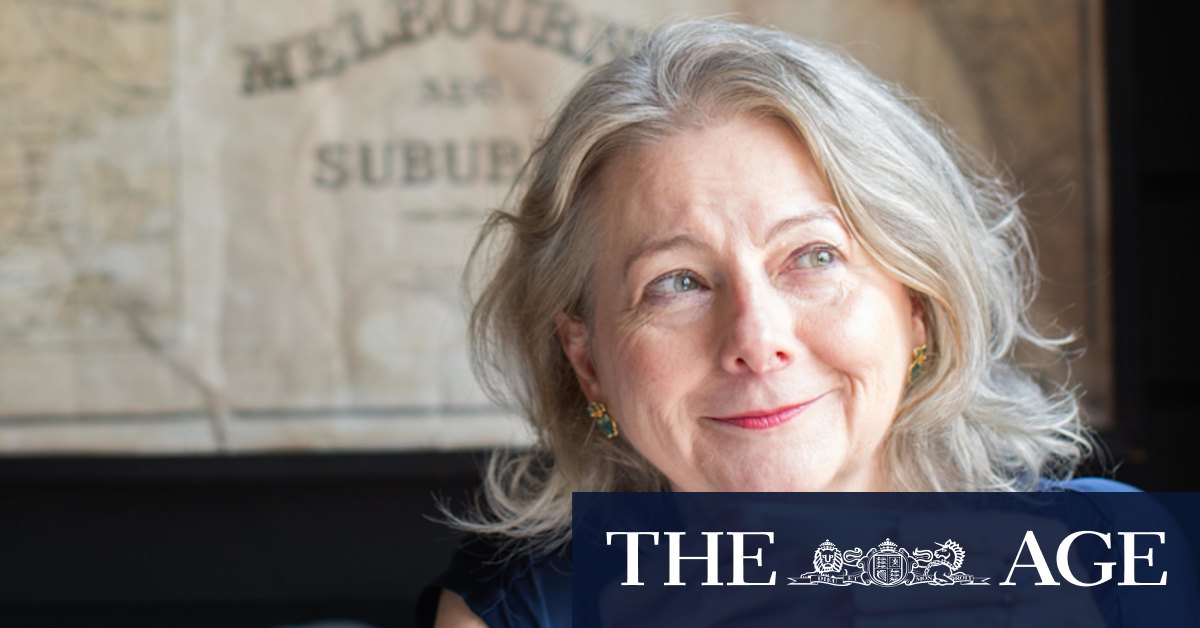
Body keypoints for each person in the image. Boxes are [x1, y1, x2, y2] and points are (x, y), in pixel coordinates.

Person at [420, 17, 1109, 627]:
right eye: (677, 283)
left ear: (918, 306)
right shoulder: (517, 611)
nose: (756, 340)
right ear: (587, 358)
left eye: (814, 257)